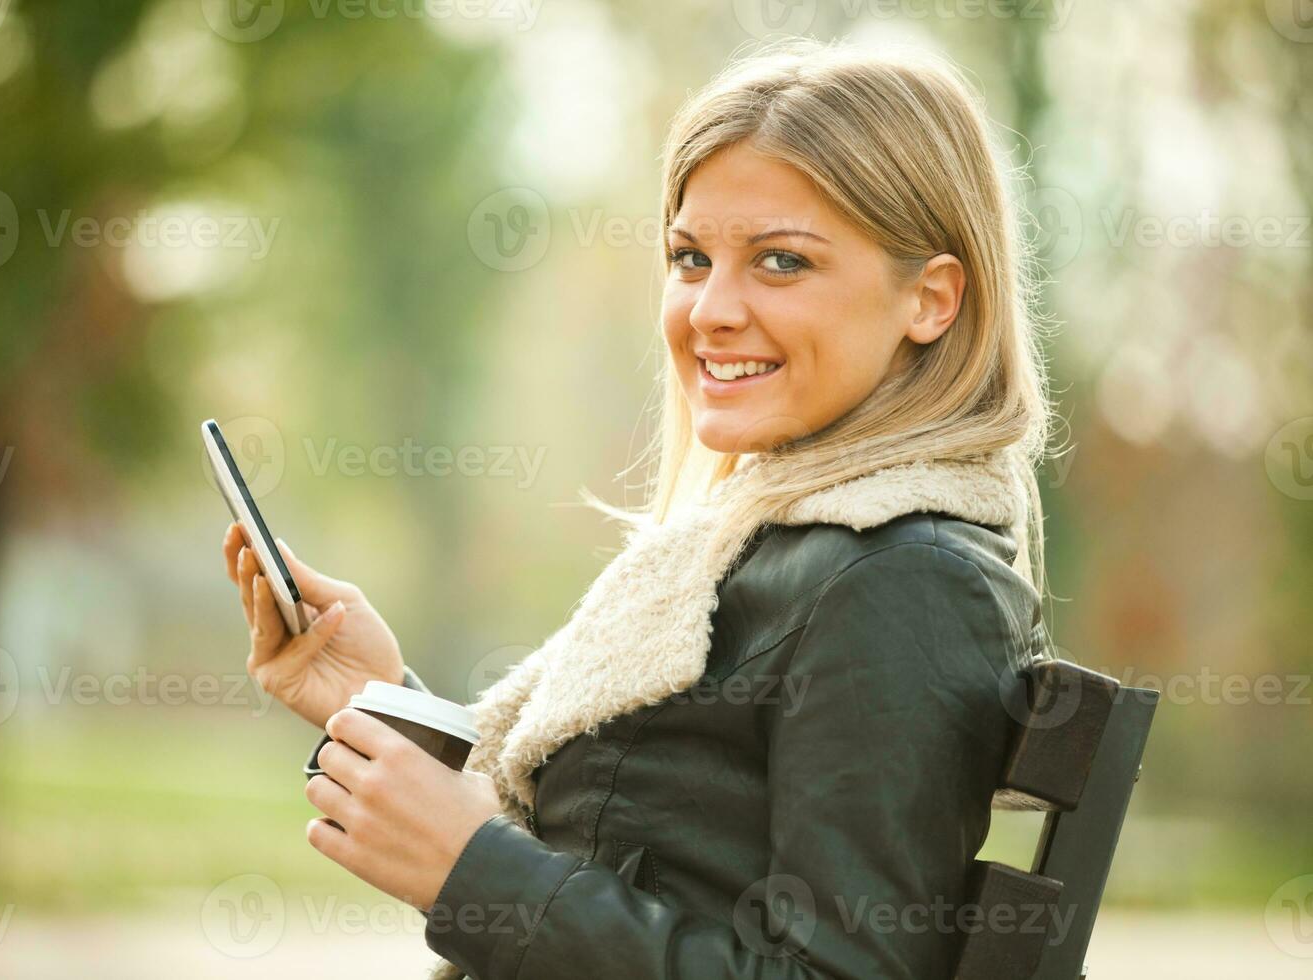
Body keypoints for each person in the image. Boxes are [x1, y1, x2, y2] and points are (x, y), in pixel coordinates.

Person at [221, 37, 1053, 980]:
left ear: (933, 300)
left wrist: (472, 871)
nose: (710, 310)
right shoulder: (768, 550)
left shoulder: (902, 582)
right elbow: (639, 835)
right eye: (691, 258)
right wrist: (382, 705)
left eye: (781, 262)